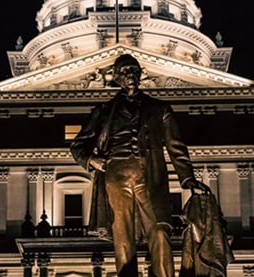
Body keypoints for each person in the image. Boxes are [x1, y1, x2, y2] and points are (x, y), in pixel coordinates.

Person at [70, 54, 211, 277]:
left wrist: (187, 178)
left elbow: (176, 146)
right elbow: (78, 145)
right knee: (122, 235)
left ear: (141, 74)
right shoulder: (104, 110)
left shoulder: (160, 108)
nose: (131, 75)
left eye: (134, 70)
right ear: (116, 77)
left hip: (150, 176)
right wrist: (91, 160)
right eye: (125, 71)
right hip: (115, 176)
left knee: (160, 229)